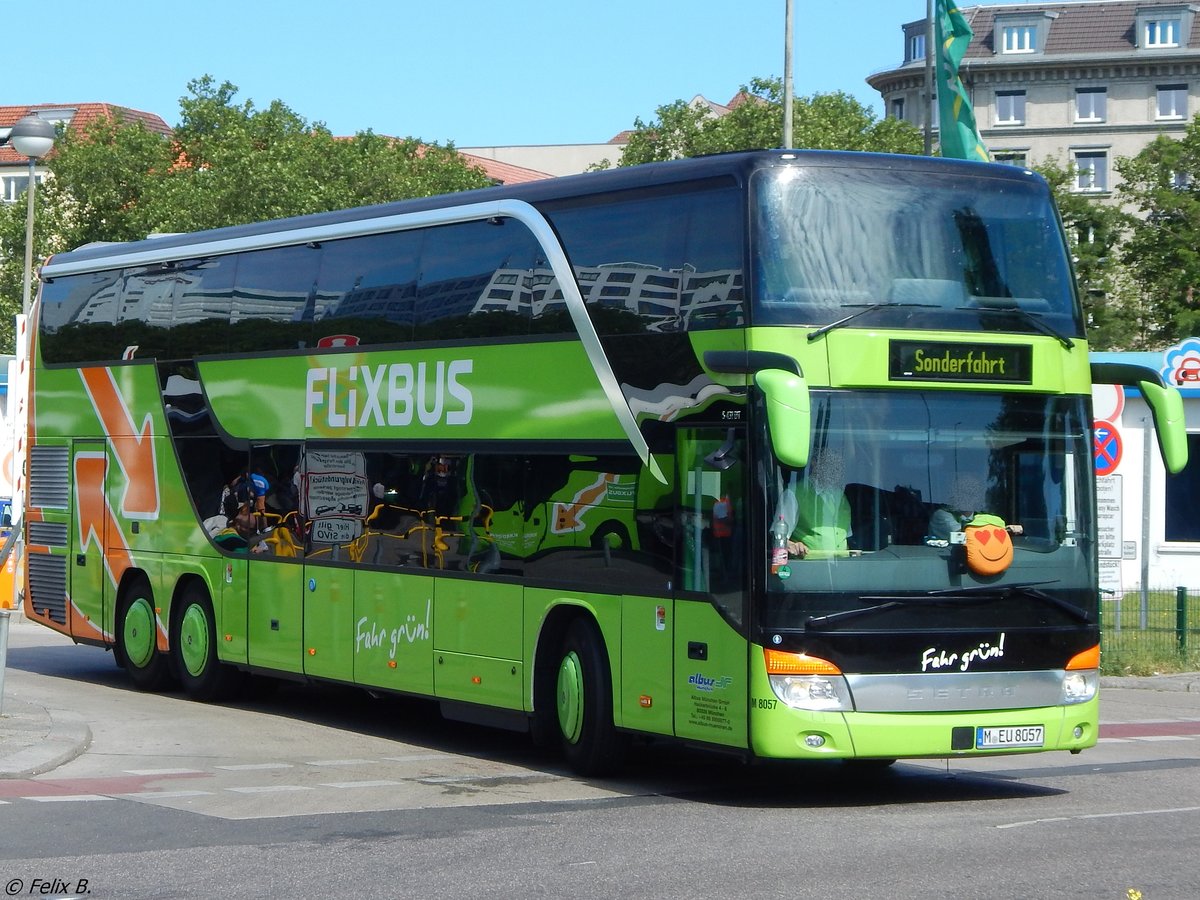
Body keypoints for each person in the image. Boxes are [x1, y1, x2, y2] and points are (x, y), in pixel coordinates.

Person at [779, 449, 852, 560]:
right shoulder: (793, 494)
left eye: (838, 464)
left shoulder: (841, 497)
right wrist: (793, 546)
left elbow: (845, 539)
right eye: (830, 462)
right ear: (814, 462)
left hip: (843, 567)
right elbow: (778, 538)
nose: (835, 469)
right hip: (808, 567)